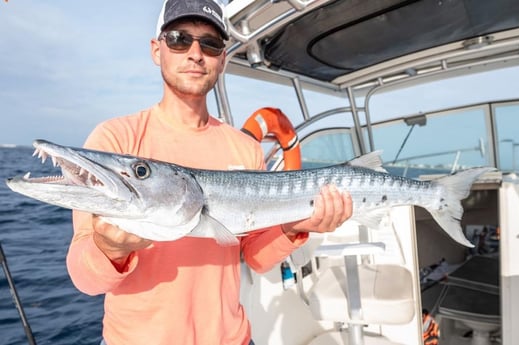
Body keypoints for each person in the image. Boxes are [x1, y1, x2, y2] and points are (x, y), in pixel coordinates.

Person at [65, 1, 353, 344]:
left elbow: (254, 256)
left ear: (224, 58)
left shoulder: (244, 148)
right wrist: (108, 249)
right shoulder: (114, 141)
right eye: (178, 39)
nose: (195, 53)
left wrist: (294, 226)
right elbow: (86, 280)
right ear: (157, 50)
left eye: (210, 43)